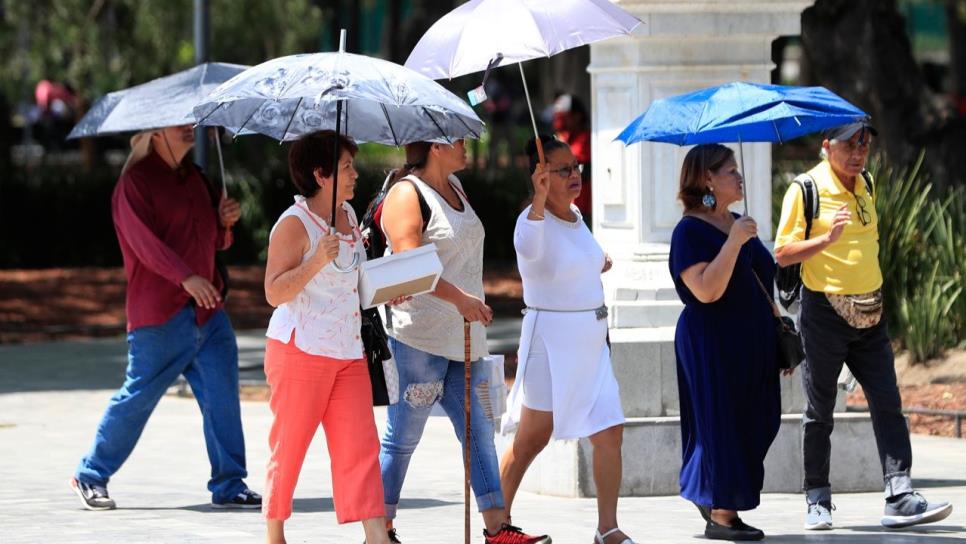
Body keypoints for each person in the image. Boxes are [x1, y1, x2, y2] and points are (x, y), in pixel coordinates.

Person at [70, 124, 259, 511]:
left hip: (209, 315)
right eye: (180, 124)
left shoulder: (197, 179)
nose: (191, 129)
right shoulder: (133, 184)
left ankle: (229, 484)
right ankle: (90, 474)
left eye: (192, 123)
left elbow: (213, 240)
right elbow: (144, 245)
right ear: (155, 132)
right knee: (136, 399)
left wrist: (224, 222)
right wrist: (184, 277)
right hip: (159, 316)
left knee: (223, 399)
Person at [774, 122, 953, 530]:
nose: (858, 153)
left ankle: (900, 494)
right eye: (849, 144)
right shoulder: (805, 189)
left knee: (888, 401)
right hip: (823, 312)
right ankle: (817, 498)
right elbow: (783, 254)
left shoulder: (866, 182)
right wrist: (826, 239)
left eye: (864, 144)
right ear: (826, 147)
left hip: (871, 312)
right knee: (820, 410)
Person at [377, 139, 549, 544]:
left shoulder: (456, 187)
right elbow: (410, 263)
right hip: (418, 338)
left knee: (479, 433)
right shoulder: (407, 193)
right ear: (436, 145)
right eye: (457, 138)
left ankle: (497, 529)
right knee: (402, 438)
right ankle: (379, 528)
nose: (466, 144)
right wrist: (462, 301)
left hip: (465, 338)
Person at [499, 135, 632, 544]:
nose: (575, 176)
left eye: (576, 167)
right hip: (550, 345)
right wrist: (538, 201)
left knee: (610, 429)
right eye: (563, 170)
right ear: (540, 176)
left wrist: (599, 261)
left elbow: (580, 260)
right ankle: (496, 525)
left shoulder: (576, 214)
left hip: (591, 342)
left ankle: (607, 527)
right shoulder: (530, 221)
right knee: (530, 440)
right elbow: (529, 250)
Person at [261, 131, 389, 544]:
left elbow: (356, 282)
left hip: (349, 351)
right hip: (301, 350)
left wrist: (390, 289)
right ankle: (274, 532)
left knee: (361, 448)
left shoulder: (349, 216)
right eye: (347, 166)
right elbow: (274, 291)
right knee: (290, 445)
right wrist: (317, 259)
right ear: (320, 174)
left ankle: (376, 537)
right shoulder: (293, 225)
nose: (355, 173)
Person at [668, 143, 781, 541]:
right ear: (707, 179)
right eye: (730, 171)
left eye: (737, 169)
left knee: (759, 419)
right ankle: (721, 511)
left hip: (753, 342)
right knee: (722, 424)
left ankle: (717, 497)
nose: (739, 176)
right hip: (711, 342)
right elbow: (706, 291)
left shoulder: (737, 222)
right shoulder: (690, 231)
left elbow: (765, 280)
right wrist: (733, 242)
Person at [551, 94, 591, 222]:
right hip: (565, 207)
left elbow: (576, 165)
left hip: (583, 207)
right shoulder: (565, 138)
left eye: (564, 117)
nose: (560, 122)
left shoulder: (585, 139)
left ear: (577, 116)